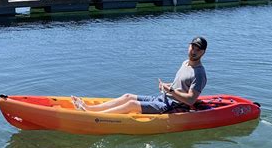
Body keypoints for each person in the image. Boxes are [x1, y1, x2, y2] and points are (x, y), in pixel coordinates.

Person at [78, 37, 207, 115]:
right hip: (164, 98)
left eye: (198, 49)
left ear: (203, 52)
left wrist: (171, 91)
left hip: (173, 106)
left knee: (132, 104)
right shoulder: (185, 63)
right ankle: (90, 108)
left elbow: (190, 100)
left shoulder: (199, 73)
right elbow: (180, 86)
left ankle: (96, 116)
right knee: (127, 96)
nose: (194, 51)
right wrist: (167, 86)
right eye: (192, 47)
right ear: (188, 46)